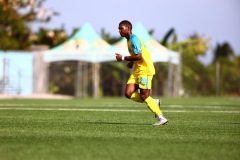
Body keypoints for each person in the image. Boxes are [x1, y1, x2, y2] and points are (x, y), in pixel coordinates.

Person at [115, 20, 168, 125]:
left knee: (144, 96)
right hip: (137, 70)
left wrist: (123, 58)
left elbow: (139, 55)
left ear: (128, 29)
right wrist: (131, 62)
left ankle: (161, 118)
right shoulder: (128, 40)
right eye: (119, 28)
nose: (119, 30)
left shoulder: (134, 39)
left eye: (121, 28)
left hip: (145, 70)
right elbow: (136, 55)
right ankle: (154, 102)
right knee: (128, 93)